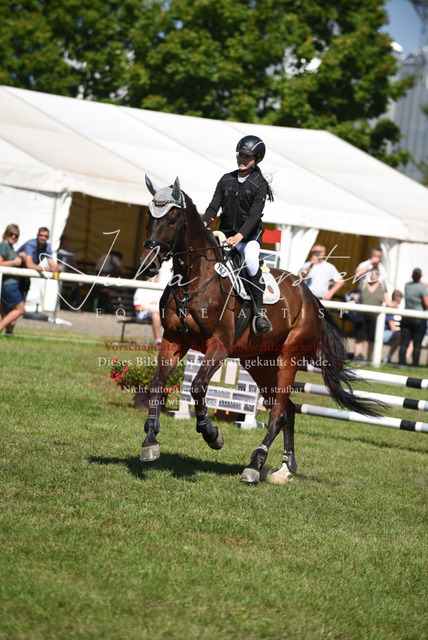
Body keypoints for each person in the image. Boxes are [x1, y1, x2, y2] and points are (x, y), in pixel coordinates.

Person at [202, 135, 273, 335]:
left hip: (248, 239)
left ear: (257, 159)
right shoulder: (226, 179)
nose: (242, 159)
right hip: (224, 235)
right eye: (240, 155)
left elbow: (254, 216)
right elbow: (213, 207)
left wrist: (240, 237)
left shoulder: (260, 184)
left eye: (247, 157)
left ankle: (259, 312)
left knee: (250, 260)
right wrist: (204, 223)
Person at [353, 268, 392, 364]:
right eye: (371, 272)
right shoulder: (363, 285)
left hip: (375, 318)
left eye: (376, 273)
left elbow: (388, 302)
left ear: (379, 275)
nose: (373, 274)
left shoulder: (382, 287)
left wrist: (395, 304)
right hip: (361, 317)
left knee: (372, 340)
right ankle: (357, 361)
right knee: (359, 339)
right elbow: (356, 299)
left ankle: (369, 362)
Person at [17, 227, 61, 299]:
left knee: (22, 301)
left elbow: (52, 263)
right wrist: (48, 269)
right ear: (37, 235)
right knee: (17, 304)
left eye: (45, 236)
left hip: (26, 277)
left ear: (48, 238)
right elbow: (29, 265)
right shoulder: (30, 244)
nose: (43, 238)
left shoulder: (47, 246)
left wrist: (57, 268)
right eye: (41, 235)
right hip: (14, 276)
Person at [398, 269, 428, 367]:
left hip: (406, 317)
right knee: (417, 344)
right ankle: (415, 365)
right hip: (418, 318)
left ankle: (401, 363)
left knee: (404, 343)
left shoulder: (407, 285)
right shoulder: (423, 288)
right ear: (420, 276)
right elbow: (427, 304)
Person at [0, 224, 26, 335]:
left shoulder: (9, 247)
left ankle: (8, 332)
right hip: (9, 285)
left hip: (8, 284)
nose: (14, 237)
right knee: (21, 309)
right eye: (11, 234)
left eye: (16, 235)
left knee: (2, 310)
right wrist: (14, 262)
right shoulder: (4, 245)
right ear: (6, 234)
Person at [133, 276, 163, 346]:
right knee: (156, 315)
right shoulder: (141, 289)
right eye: (155, 277)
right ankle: (158, 341)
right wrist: (152, 310)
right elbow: (137, 307)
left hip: (158, 313)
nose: (157, 279)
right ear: (149, 278)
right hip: (143, 313)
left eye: (157, 277)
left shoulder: (159, 289)